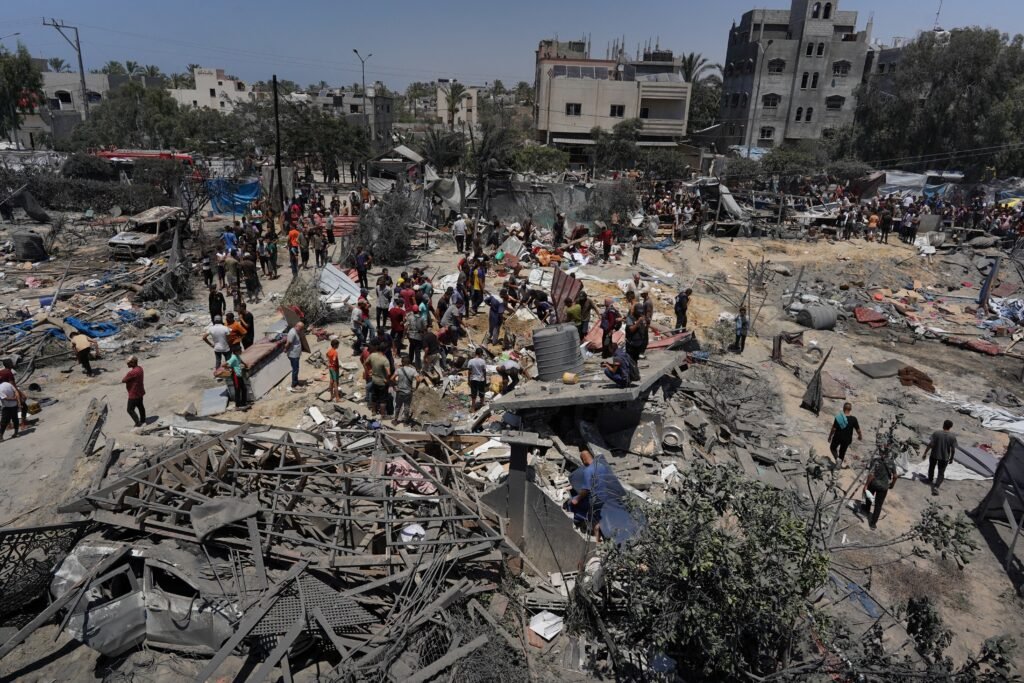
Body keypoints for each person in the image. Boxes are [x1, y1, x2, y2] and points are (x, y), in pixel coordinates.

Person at [863, 453, 898, 530]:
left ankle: (867, 509)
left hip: (874, 483)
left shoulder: (875, 461)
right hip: (883, 487)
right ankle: (873, 523)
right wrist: (892, 484)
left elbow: (871, 474)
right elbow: (895, 476)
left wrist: (866, 485)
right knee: (878, 505)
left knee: (869, 496)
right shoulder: (892, 463)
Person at [922, 419, 958, 496]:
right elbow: (953, 449)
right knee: (941, 473)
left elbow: (931, 444)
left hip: (934, 455)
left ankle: (930, 480)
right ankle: (936, 487)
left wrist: (925, 453)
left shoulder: (936, 433)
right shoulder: (952, 437)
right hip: (944, 457)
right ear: (950, 427)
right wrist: (951, 458)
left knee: (931, 467)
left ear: (943, 425)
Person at [828, 402, 863, 466]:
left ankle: (837, 459)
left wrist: (830, 436)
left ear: (843, 408)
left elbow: (833, 429)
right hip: (847, 439)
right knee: (842, 452)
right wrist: (860, 436)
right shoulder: (854, 419)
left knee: (832, 448)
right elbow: (858, 430)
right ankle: (838, 466)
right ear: (850, 409)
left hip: (837, 437)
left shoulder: (838, 418)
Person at [392, 353, 420, 425]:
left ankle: (395, 420)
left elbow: (392, 378)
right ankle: (405, 421)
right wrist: (415, 388)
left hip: (399, 391)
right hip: (408, 392)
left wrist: (394, 386)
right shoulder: (413, 370)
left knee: (398, 406)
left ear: (402, 362)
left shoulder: (399, 370)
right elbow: (418, 380)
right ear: (409, 362)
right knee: (406, 406)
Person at [0, 359, 28, 429]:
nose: (13, 363)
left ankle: (9, 425)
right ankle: (23, 424)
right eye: (12, 363)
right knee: (24, 407)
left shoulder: (1, 372)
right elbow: (13, 385)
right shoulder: (9, 372)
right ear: (9, 364)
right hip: (9, 391)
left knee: (7, 409)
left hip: (2, 392)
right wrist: (21, 394)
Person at [367, 341, 391, 417]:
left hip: (374, 380)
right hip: (382, 383)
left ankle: (373, 412)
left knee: (374, 397)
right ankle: (382, 415)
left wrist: (369, 371)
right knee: (383, 400)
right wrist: (387, 380)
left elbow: (365, 363)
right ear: (386, 350)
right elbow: (389, 373)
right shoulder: (385, 360)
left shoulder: (372, 355)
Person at [121, 355, 146, 428]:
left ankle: (138, 423)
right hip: (140, 391)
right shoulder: (140, 368)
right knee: (140, 406)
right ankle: (143, 420)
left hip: (133, 393)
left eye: (128, 363)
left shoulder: (131, 373)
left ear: (132, 363)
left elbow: (123, 380)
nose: (127, 364)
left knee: (130, 410)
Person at [286, 322, 305, 391]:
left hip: (296, 354)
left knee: (296, 369)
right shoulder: (292, 333)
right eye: (301, 328)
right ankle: (294, 384)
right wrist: (286, 349)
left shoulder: (296, 331)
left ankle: (296, 382)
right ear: (297, 326)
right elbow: (288, 343)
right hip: (293, 355)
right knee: (295, 369)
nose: (301, 330)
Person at [326, 338, 341, 402]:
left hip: (330, 368)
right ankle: (337, 398)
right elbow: (334, 360)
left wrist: (329, 362)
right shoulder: (335, 352)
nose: (338, 346)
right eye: (337, 345)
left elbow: (327, 355)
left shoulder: (329, 351)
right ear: (335, 345)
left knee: (331, 381)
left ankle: (331, 396)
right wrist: (334, 363)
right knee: (335, 383)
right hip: (334, 368)